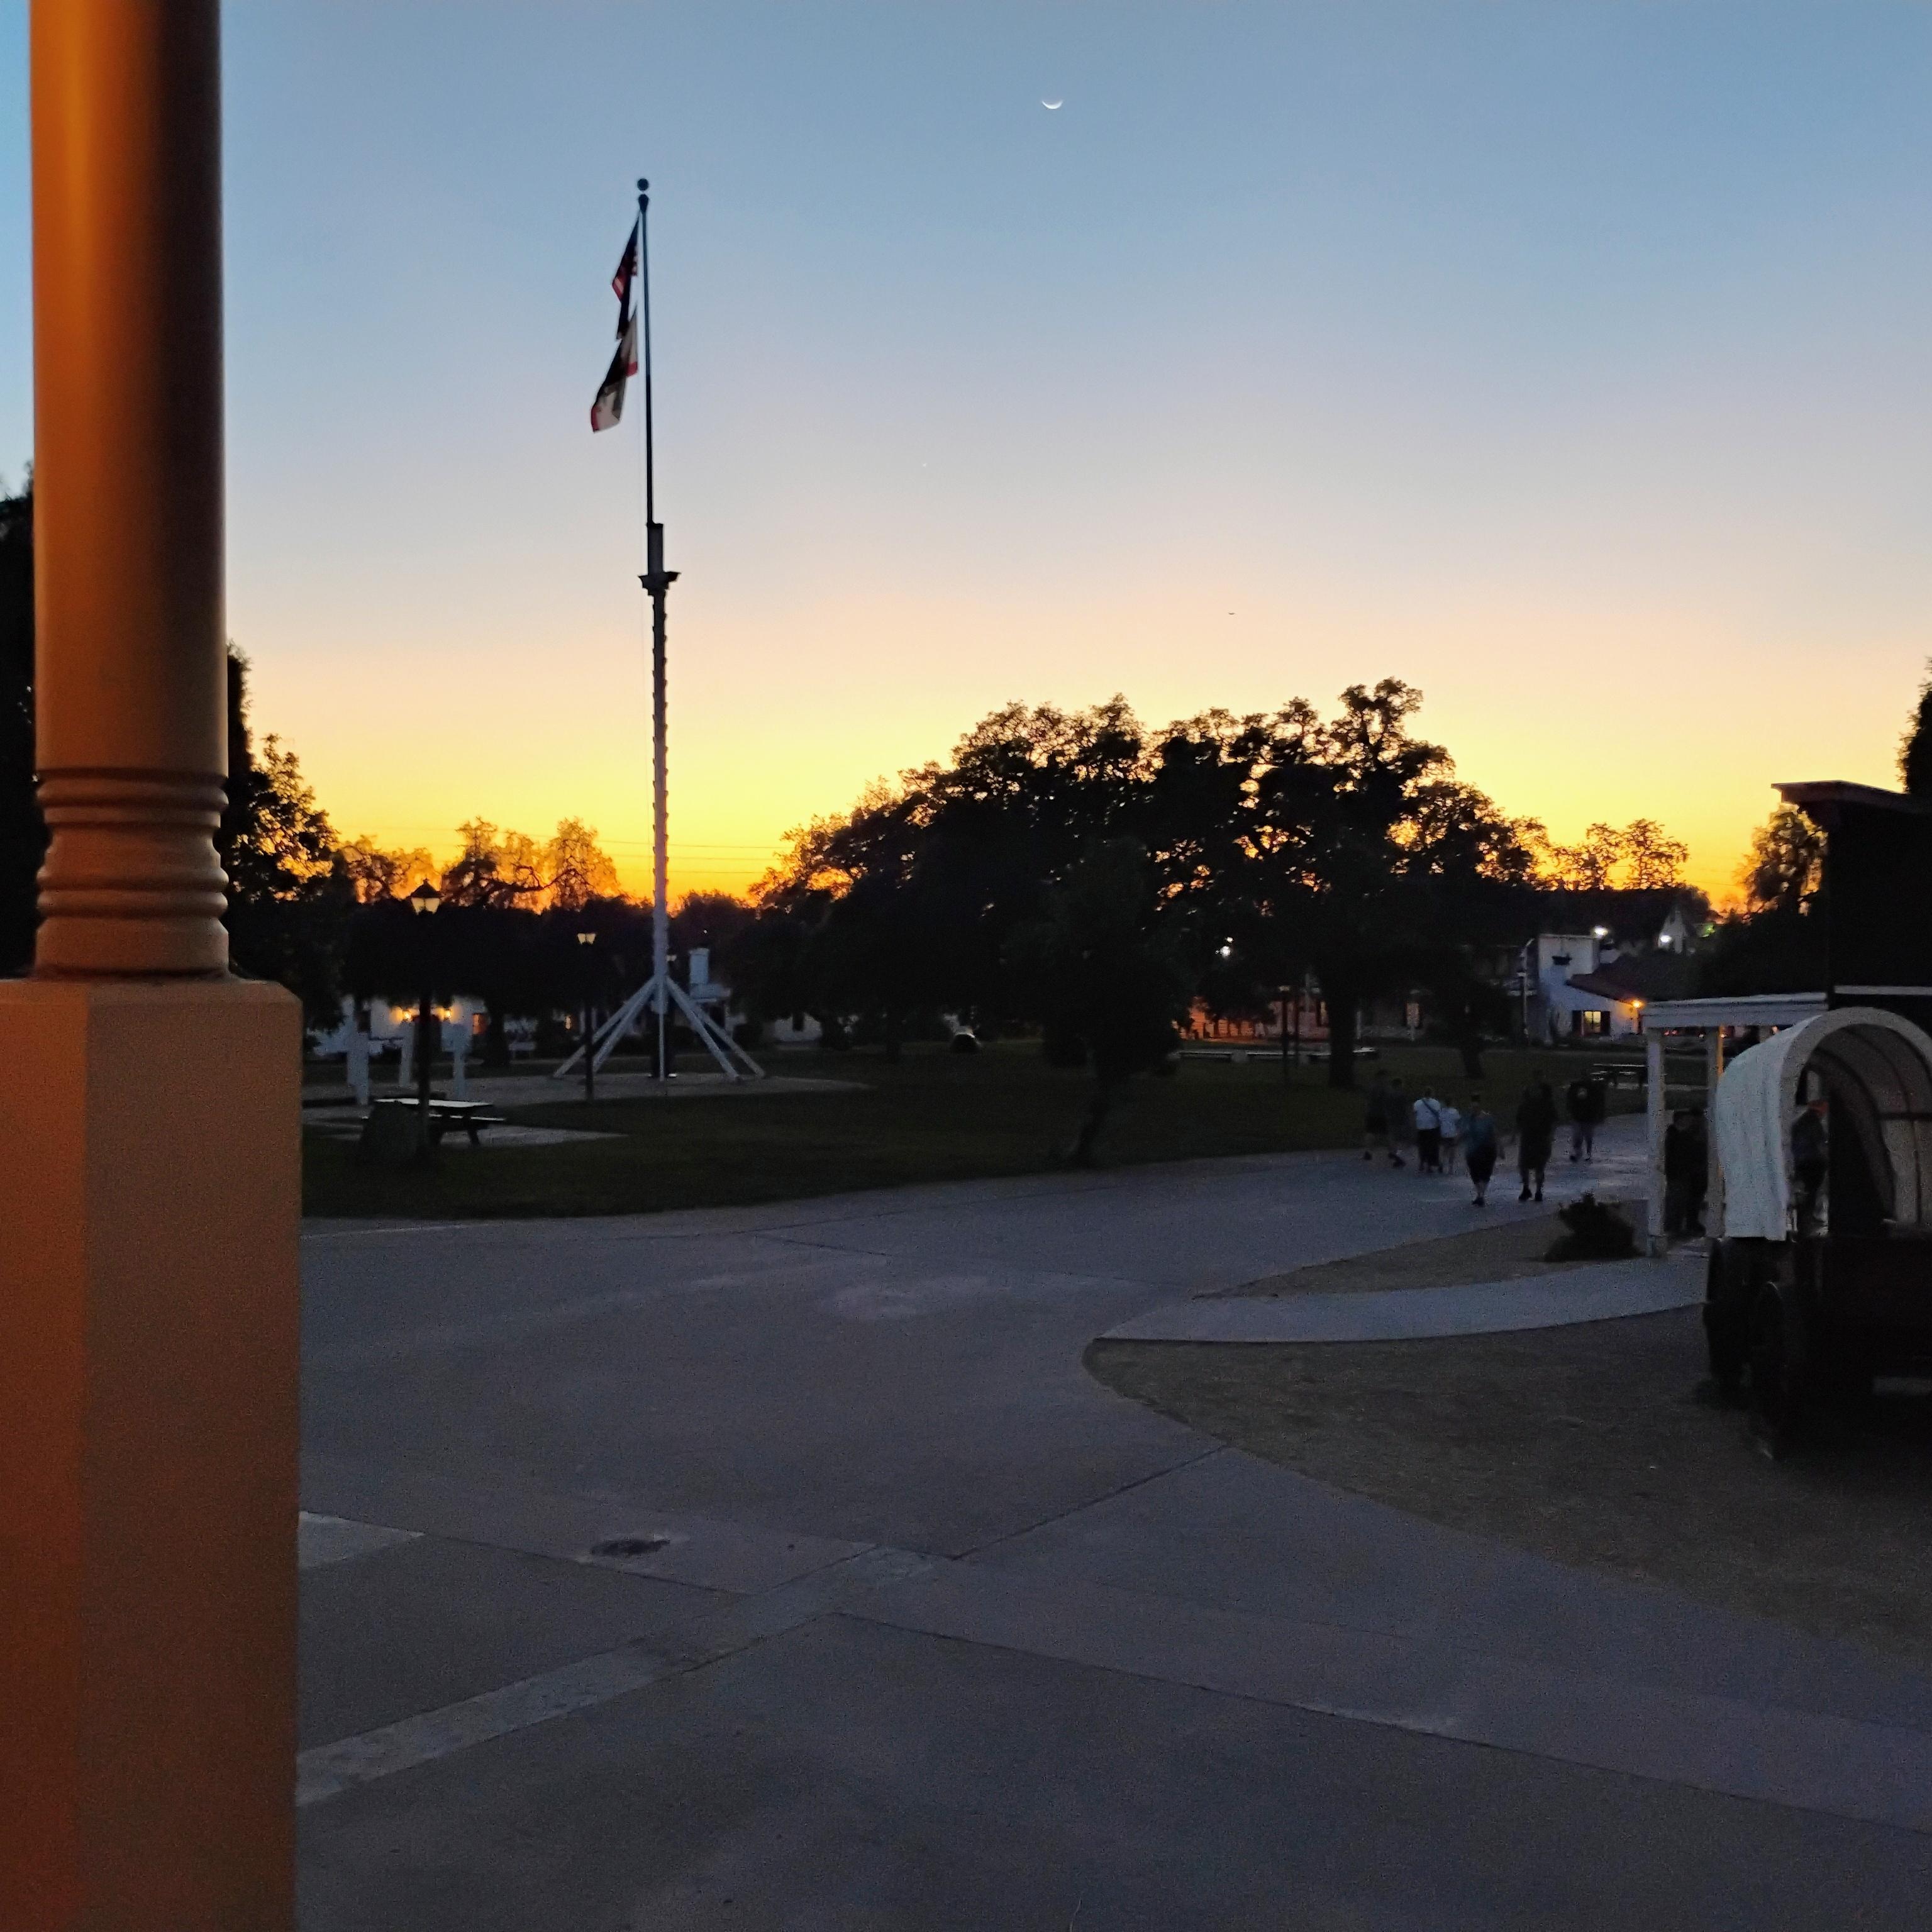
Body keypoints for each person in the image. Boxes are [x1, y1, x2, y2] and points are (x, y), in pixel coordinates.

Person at [1516, 1074, 1557, 1202]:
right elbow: (1519, 1121)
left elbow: (1554, 1121)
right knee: (1524, 1166)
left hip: (1540, 1138)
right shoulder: (1526, 1105)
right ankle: (1527, 1188)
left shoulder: (1546, 1105)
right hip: (1529, 1138)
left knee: (1538, 1166)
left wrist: (1551, 1135)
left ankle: (1537, 1190)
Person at [1792, 1096, 1829, 1234]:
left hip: (1801, 1162)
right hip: (1813, 1163)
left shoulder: (1800, 1122)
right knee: (1811, 1193)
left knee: (1804, 1192)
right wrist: (1826, 1159)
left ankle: (1805, 1219)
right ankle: (1807, 1221)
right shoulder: (1814, 1124)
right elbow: (1820, 1145)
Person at [1462, 1097, 1499, 1206]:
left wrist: (1499, 1148)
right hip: (1473, 1151)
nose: (1474, 1109)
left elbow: (1495, 1133)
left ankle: (1481, 1195)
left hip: (1487, 1149)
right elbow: (1464, 1131)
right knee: (1475, 1172)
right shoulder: (1469, 1119)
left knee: (1485, 1173)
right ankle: (1480, 1194)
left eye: (1476, 1107)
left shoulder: (1487, 1119)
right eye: (1472, 1107)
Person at [1567, 1073, 1607, 1162]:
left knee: (1587, 1137)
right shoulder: (1576, 1087)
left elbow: (1599, 1102)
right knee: (1578, 1136)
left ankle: (1587, 1153)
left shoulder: (1592, 1089)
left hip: (1588, 1117)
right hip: (1579, 1116)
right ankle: (1579, 1153)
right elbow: (1570, 1100)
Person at [1413, 1087, 1443, 1174]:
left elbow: (1415, 1114)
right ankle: (1430, 1165)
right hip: (1432, 1127)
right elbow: (1438, 1115)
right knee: (1432, 1146)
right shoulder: (1436, 1103)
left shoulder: (1417, 1103)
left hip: (1421, 1127)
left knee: (1422, 1146)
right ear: (1432, 1093)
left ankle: (1422, 1162)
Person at [1361, 1075, 1391, 1163]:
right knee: (1387, 1134)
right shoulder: (1386, 1089)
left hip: (1372, 1114)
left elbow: (1367, 1101)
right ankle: (1391, 1152)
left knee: (1370, 1133)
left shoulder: (1371, 1089)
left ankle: (1368, 1151)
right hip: (1382, 1114)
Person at [1384, 1076, 1409, 1167]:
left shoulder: (1388, 1095)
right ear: (1399, 1085)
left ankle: (1392, 1152)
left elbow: (1385, 1106)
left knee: (1391, 1136)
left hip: (1390, 1117)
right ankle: (1396, 1155)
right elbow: (1404, 1108)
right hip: (1400, 1118)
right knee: (1398, 1137)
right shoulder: (1402, 1095)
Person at [1437, 1097, 1463, 1173]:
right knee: (1452, 1151)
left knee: (1444, 1150)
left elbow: (1439, 1121)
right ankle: (1450, 1168)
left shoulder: (1441, 1112)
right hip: (1452, 1133)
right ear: (1452, 1103)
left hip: (1444, 1133)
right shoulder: (1455, 1111)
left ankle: (1441, 1163)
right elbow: (1458, 1122)